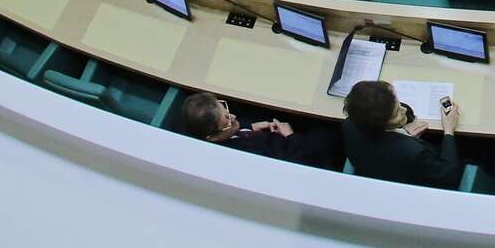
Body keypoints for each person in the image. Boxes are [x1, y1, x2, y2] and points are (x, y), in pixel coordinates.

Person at [342, 80, 461, 188]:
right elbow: (448, 177)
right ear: (380, 124)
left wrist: (402, 130)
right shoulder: (413, 151)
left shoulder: (350, 124)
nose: (403, 110)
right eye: (396, 113)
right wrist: (449, 129)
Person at [181, 92, 340, 169]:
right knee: (325, 131)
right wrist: (290, 136)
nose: (234, 117)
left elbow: (234, 128)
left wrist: (251, 127)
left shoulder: (221, 132)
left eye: (226, 110)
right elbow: (293, 166)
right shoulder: (245, 158)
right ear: (213, 138)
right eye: (227, 120)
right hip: (296, 155)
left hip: (269, 138)